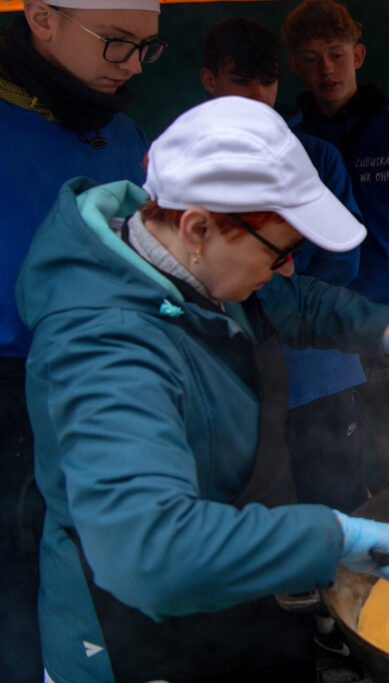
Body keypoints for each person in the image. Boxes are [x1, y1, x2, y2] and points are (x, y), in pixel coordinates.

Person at [16, 96, 389, 682]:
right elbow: (151, 555)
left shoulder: (188, 261)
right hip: (134, 623)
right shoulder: (105, 347)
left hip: (230, 558)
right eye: (282, 252)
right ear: (198, 227)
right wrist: (335, 535)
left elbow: (296, 299)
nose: (291, 268)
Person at [0, 0, 162, 679]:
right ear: (41, 17)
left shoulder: (122, 133)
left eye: (148, 47)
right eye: (116, 42)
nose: (131, 64)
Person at [201, 15, 371, 513]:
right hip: (235, 379)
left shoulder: (317, 158)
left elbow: (345, 263)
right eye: (240, 80)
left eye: (268, 80)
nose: (257, 95)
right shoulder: (185, 162)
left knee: (340, 506)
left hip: (320, 368)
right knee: (257, 513)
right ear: (209, 79)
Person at [282, 0, 389, 491]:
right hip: (320, 333)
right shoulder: (290, 141)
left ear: (358, 55)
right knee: (335, 463)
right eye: (311, 58)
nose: (326, 69)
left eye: (335, 54)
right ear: (293, 64)